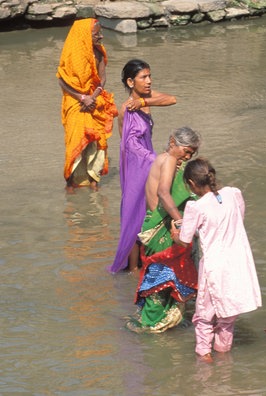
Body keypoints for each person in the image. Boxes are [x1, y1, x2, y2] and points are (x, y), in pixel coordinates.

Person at [171, 158, 262, 362]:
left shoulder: (196, 207)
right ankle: (223, 357)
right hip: (238, 262)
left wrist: (175, 233)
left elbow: (185, 241)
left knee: (204, 315)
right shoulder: (233, 193)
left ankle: (204, 356)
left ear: (192, 184)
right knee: (227, 316)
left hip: (214, 266)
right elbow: (238, 219)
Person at [126, 127, 201, 333]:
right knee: (163, 274)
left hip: (156, 223)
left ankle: (157, 321)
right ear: (172, 143)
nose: (186, 157)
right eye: (185, 152)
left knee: (163, 275)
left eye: (190, 155)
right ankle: (152, 324)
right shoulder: (168, 160)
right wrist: (180, 221)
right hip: (162, 225)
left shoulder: (163, 160)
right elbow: (164, 193)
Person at [108, 59, 177, 273]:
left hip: (147, 159)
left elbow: (172, 99)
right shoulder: (126, 109)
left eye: (149, 76)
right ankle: (134, 269)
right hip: (137, 164)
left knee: (149, 211)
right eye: (143, 77)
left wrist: (145, 103)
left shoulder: (146, 99)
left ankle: (149, 261)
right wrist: (155, 161)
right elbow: (130, 145)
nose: (148, 81)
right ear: (130, 82)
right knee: (133, 214)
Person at [56, 18, 117, 193]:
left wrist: (93, 96)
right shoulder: (72, 54)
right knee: (76, 142)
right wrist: (82, 97)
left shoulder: (98, 52)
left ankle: (94, 181)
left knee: (97, 142)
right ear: (84, 36)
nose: (101, 37)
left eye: (100, 33)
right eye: (96, 34)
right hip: (76, 103)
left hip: (93, 100)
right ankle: (70, 184)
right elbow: (62, 80)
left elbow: (102, 78)